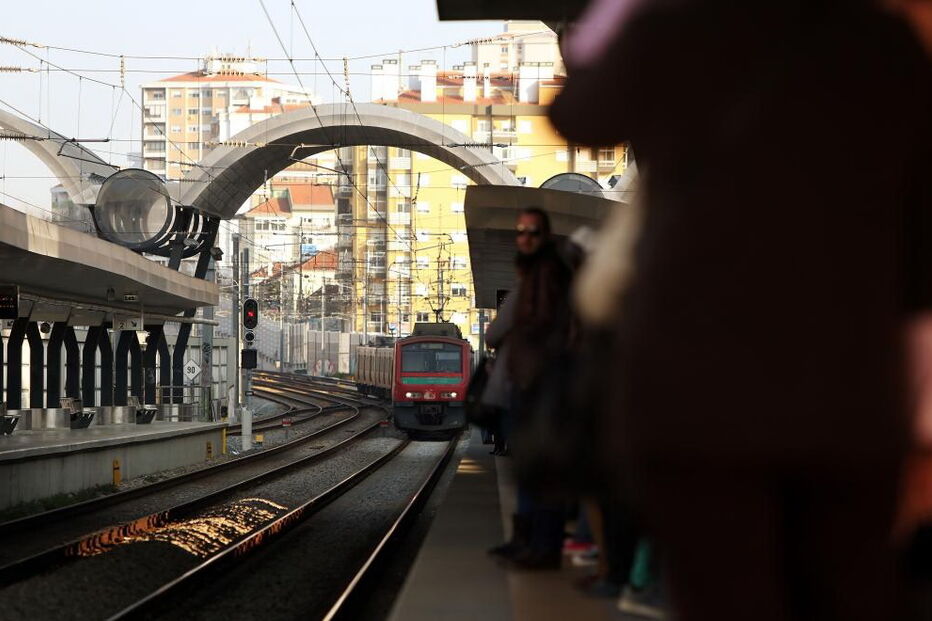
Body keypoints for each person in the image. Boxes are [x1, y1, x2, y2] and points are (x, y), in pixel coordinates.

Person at [550, 1, 932, 620]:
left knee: (725, 594)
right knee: (847, 593)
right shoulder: (886, 43)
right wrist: (919, 416)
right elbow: (919, 246)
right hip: (848, 396)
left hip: (697, 395)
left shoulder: (677, 25)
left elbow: (579, 112)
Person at [484, 206, 576, 569]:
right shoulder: (543, 273)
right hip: (535, 380)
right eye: (520, 231)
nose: (524, 238)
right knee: (531, 464)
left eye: (532, 232)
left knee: (537, 466)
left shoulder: (544, 276)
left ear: (546, 237)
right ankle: (530, 540)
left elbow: (501, 331)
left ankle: (540, 543)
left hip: (541, 383)